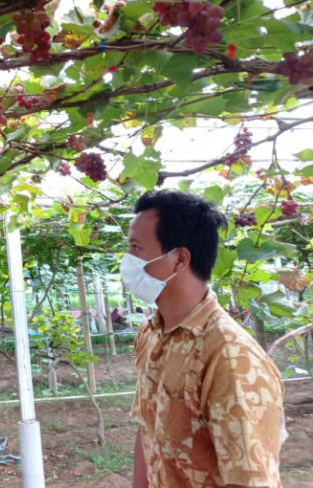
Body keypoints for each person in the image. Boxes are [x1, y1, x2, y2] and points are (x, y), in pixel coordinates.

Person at [123, 190, 285, 488]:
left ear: (179, 258)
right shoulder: (151, 332)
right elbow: (148, 428)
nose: (126, 260)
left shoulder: (230, 355)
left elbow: (248, 478)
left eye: (135, 247)